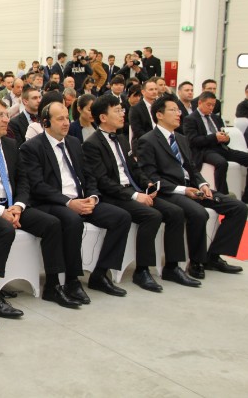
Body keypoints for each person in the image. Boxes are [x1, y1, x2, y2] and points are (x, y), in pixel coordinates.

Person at [0, 100, 80, 309]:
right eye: (0, 115)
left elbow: (23, 180)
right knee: (4, 229)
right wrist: (0, 211)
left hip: (13, 206)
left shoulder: (11, 145)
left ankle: (53, 285)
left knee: (52, 224)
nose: (6, 120)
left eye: (6, 114)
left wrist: (19, 206)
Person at [83, 95, 198, 291]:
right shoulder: (92, 144)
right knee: (151, 215)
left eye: (122, 110)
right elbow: (103, 181)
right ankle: (142, 270)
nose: (123, 114)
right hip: (113, 195)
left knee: (175, 212)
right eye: (117, 111)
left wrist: (149, 185)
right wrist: (135, 196)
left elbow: (135, 169)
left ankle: (172, 267)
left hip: (132, 190)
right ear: (103, 117)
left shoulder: (121, 139)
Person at [20, 102, 132, 301]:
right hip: (53, 202)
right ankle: (72, 280)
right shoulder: (32, 147)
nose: (66, 123)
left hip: (81, 199)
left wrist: (93, 197)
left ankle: (100, 274)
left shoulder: (73, 142)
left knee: (121, 217)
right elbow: (37, 186)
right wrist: (68, 203)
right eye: (60, 119)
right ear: (46, 122)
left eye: (67, 118)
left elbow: (89, 175)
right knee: (72, 220)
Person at [137, 95, 246, 279]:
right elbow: (151, 177)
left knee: (238, 208)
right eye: (173, 110)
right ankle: (196, 262)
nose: (178, 114)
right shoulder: (147, 140)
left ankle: (213, 256)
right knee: (198, 213)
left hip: (192, 188)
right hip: (170, 192)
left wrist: (203, 184)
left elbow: (192, 168)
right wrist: (183, 190)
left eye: (178, 110)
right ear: (159, 115)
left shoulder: (181, 138)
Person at [183, 91, 248, 202]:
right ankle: (223, 195)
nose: (211, 108)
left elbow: (223, 135)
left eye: (213, 105)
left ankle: (247, 195)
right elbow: (193, 141)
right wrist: (214, 137)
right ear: (200, 103)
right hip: (205, 150)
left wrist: (226, 139)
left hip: (221, 148)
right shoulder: (190, 119)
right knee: (221, 163)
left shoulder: (216, 118)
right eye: (208, 105)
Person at [129, 79, 158, 153]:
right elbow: (137, 131)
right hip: (143, 145)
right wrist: (154, 139)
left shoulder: (160, 106)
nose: (154, 92)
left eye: (156, 89)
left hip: (160, 144)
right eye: (151, 89)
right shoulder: (135, 109)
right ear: (143, 92)